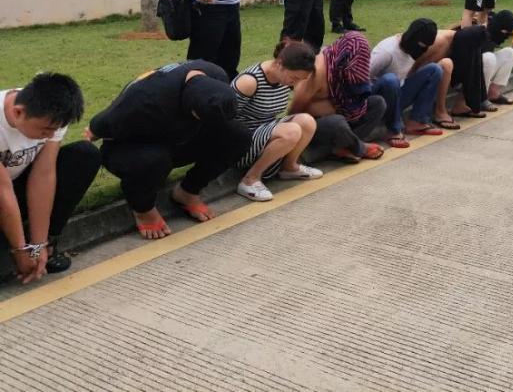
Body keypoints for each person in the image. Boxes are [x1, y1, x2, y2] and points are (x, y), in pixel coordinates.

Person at [91, 60, 252, 240]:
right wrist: (95, 133)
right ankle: (143, 209)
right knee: (154, 160)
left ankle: (188, 192)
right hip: (133, 147)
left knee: (238, 135)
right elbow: (98, 126)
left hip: (178, 138)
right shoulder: (146, 97)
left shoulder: (216, 75)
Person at [1, 73, 98, 281]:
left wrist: (38, 246)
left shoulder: (52, 116)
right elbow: (2, 190)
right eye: (44, 130)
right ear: (18, 112)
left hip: (14, 184)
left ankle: (48, 247)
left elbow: (43, 176)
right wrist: (20, 250)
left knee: (84, 156)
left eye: (52, 131)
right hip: (3, 188)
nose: (48, 135)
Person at [231, 41, 321, 202]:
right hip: (240, 140)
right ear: (279, 64)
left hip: (264, 130)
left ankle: (289, 167)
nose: (296, 83)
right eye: (294, 78)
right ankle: (250, 179)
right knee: (292, 130)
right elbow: (225, 118)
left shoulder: (284, 79)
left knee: (307, 121)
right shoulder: (250, 81)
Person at [289, 32, 386, 163]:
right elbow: (295, 111)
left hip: (342, 113)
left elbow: (357, 97)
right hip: (318, 124)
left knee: (378, 103)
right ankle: (359, 147)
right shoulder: (318, 71)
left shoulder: (355, 71)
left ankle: (344, 147)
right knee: (337, 122)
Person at [370, 18, 445, 148]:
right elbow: (362, 77)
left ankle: (417, 121)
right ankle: (393, 130)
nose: (423, 49)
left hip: (399, 92)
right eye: (421, 45)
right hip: (379, 99)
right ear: (412, 38)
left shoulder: (413, 50)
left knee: (434, 69)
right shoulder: (386, 52)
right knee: (390, 80)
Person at [482, 10, 513, 109]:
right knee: (489, 57)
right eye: (504, 32)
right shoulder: (481, 29)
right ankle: (480, 97)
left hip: (483, 67)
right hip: (468, 69)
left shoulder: (493, 28)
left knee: (510, 52)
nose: (505, 37)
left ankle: (493, 93)